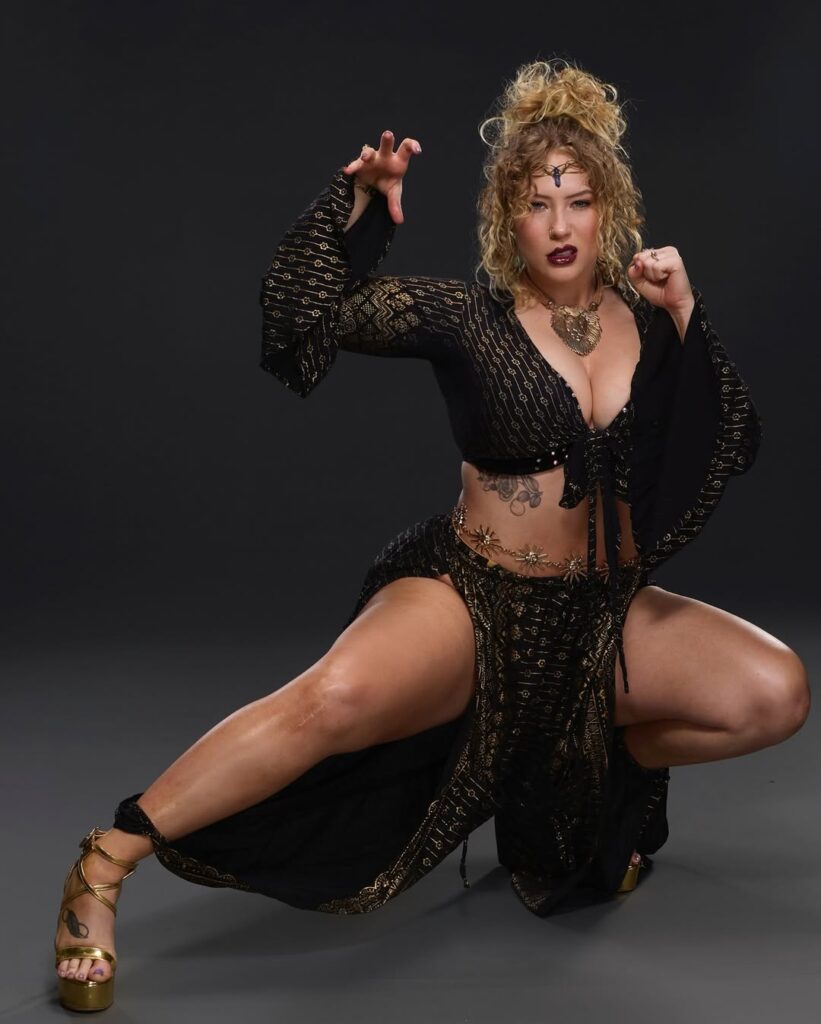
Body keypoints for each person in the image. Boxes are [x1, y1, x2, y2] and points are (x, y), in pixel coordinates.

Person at [54, 60, 809, 1012]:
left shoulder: (650, 321)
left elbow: (731, 439)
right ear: (507, 218)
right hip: (474, 593)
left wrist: (688, 313)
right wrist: (358, 209)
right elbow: (307, 316)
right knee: (331, 699)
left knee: (773, 694)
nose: (561, 224)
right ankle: (104, 863)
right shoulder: (466, 317)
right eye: (537, 204)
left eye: (579, 201)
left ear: (608, 208)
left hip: (599, 613)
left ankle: (583, 758)